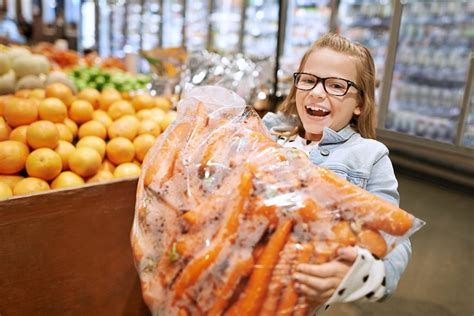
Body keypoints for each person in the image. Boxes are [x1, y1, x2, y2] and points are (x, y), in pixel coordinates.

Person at [262, 33, 411, 314]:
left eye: (336, 86)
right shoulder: (265, 134)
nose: (317, 92)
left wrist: (357, 274)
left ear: (360, 104)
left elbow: (395, 240)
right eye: (308, 80)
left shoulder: (369, 157)